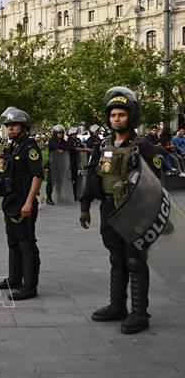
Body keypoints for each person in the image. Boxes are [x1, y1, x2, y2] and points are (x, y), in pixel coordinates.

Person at [80, 86, 161, 334]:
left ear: (131, 117)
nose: (117, 119)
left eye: (122, 115)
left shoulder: (143, 147)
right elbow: (92, 177)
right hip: (108, 209)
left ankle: (139, 313)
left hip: (134, 212)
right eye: (113, 115)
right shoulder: (101, 146)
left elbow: (155, 182)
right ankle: (117, 306)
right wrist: (85, 207)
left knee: (135, 260)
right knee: (116, 259)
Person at [0, 107, 43, 300]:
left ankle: (30, 286)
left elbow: (37, 176)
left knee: (26, 243)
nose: (10, 128)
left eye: (14, 125)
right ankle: (14, 278)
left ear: (23, 127)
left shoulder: (29, 147)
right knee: (13, 242)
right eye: (8, 126)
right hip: (11, 201)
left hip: (23, 201)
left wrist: (29, 202)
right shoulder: (13, 147)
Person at [45, 125, 73, 205]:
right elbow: (55, 146)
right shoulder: (52, 140)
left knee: (61, 179)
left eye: (61, 133)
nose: (60, 134)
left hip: (62, 163)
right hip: (53, 163)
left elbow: (70, 147)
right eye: (58, 133)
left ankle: (60, 196)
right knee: (51, 180)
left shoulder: (63, 141)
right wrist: (60, 148)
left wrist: (62, 148)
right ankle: (49, 197)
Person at [67, 126, 90, 200]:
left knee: (78, 178)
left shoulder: (77, 140)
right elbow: (74, 148)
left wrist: (84, 147)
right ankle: (72, 195)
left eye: (76, 134)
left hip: (79, 162)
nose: (75, 135)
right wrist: (85, 149)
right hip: (71, 162)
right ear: (71, 134)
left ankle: (78, 194)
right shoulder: (69, 142)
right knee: (72, 179)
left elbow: (81, 145)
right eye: (74, 134)